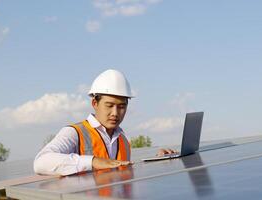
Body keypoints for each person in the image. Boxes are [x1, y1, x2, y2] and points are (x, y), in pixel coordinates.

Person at [34, 69, 176, 176]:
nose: (115, 113)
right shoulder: (75, 133)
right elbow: (41, 162)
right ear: (95, 103)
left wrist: (158, 158)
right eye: (109, 105)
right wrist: (93, 161)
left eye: (121, 106)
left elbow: (127, 167)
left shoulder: (123, 139)